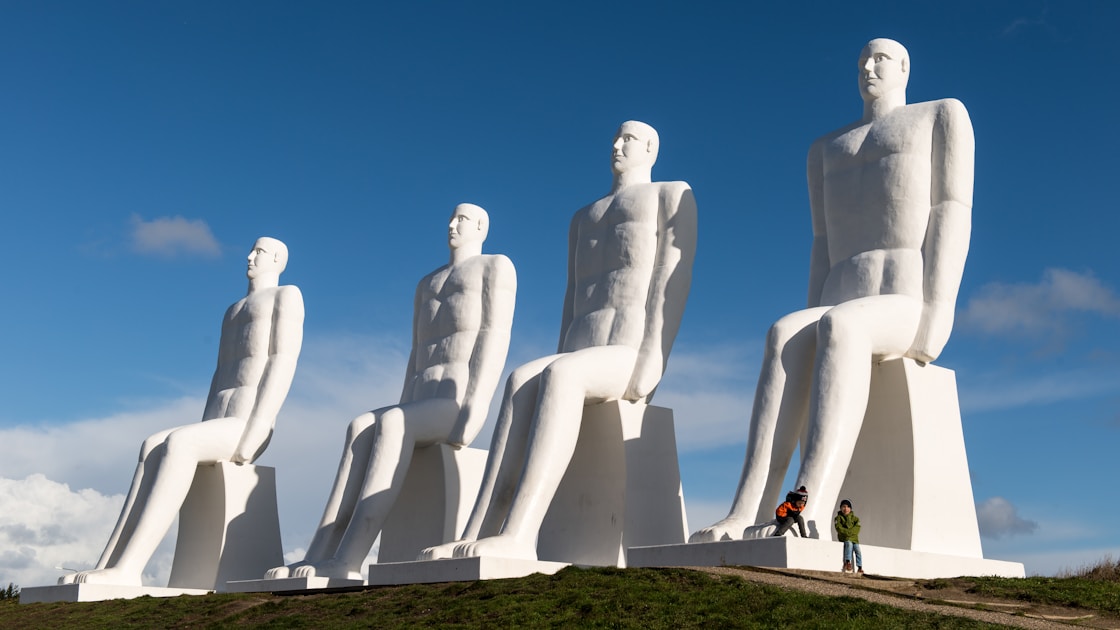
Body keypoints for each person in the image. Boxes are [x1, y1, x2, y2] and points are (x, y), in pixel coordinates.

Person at [691, 38, 973, 541]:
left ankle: (807, 504)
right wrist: (811, 321)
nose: (868, 67)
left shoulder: (939, 115)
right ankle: (747, 509)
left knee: (843, 325)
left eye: (880, 58)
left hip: (902, 297)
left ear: (905, 67)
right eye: (862, 60)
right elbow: (822, 241)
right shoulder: (825, 148)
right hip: (839, 295)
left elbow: (951, 212)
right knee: (783, 332)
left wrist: (939, 309)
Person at [419, 120, 697, 562]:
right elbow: (573, 294)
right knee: (521, 379)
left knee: (562, 374)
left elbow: (670, 279)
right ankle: (478, 530)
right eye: (615, 136)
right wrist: (557, 352)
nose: (617, 144)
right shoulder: (583, 217)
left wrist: (654, 355)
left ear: (650, 148)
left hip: (625, 351)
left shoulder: (668, 194)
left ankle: (521, 533)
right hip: (579, 347)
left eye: (629, 138)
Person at [266, 204, 516, 581]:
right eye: (450, 217)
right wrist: (401, 402)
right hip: (417, 399)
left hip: (451, 402)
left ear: (481, 226)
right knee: (362, 425)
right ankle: (321, 551)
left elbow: (493, 338)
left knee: (394, 421)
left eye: (461, 219)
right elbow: (416, 354)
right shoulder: (426, 284)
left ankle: (349, 557)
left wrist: (474, 409)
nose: (451, 224)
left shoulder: (494, 267)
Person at [62, 237, 304, 586]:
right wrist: (204, 424)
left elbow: (283, 362)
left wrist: (259, 428)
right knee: (152, 445)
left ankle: (130, 568)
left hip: (246, 422)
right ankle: (109, 564)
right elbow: (219, 373)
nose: (249, 257)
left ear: (278, 259)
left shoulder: (287, 295)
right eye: (251, 250)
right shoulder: (233, 310)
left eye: (260, 252)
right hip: (218, 420)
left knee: (179, 444)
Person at [834, 499, 863, 575]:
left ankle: (860, 567)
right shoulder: (838, 518)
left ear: (850, 508)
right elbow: (839, 528)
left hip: (855, 539)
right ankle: (848, 562)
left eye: (847, 507)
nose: (845, 509)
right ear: (840, 508)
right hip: (845, 538)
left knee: (858, 550)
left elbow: (857, 529)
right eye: (843, 507)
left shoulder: (856, 519)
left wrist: (849, 533)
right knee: (849, 544)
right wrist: (848, 533)